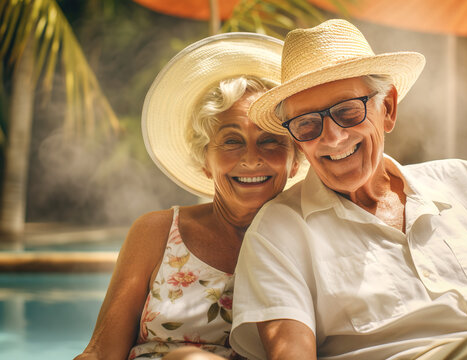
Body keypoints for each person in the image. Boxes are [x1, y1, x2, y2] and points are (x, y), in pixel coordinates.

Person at [229, 19, 467, 360]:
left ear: (388, 108)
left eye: (347, 111)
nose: (332, 138)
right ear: (298, 142)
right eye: (307, 124)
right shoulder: (280, 230)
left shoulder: (464, 181)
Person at [74, 32, 307, 360]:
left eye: (270, 140)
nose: (252, 158)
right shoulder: (156, 232)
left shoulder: (306, 240)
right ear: (205, 162)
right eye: (231, 140)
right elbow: (100, 353)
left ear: (295, 159)